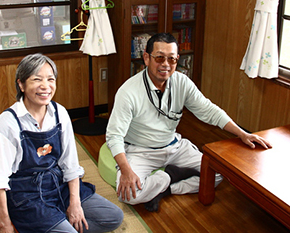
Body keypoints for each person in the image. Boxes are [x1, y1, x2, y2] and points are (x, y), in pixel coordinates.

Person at [106, 33, 272, 212]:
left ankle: (166, 189)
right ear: (146, 58)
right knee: (129, 196)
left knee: (218, 173)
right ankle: (170, 176)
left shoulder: (182, 82)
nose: (166, 65)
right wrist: (126, 170)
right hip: (140, 151)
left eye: (172, 59)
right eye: (159, 57)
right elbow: (114, 136)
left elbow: (209, 110)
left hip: (174, 147)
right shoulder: (128, 91)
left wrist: (242, 133)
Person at [0, 53, 123, 233]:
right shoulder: (6, 124)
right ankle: (56, 224)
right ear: (21, 84)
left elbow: (70, 163)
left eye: (51, 79)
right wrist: (5, 226)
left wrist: (75, 204)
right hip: (27, 195)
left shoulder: (60, 113)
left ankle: (58, 222)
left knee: (113, 217)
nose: (46, 86)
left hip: (58, 184)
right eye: (37, 79)